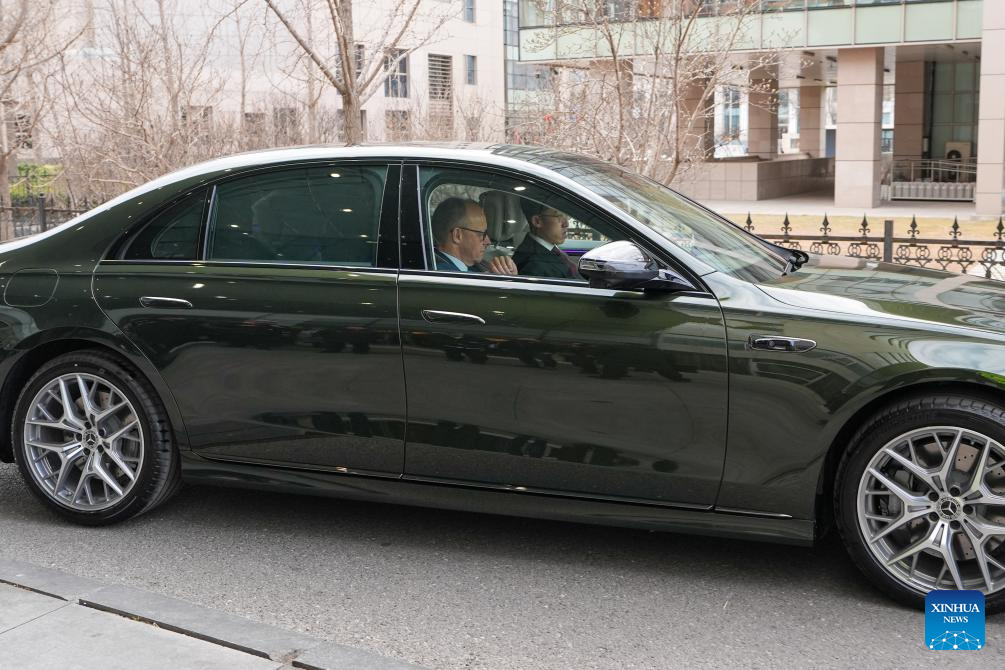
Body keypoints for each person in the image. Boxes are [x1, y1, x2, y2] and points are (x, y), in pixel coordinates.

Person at [431, 198, 518, 274]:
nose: (488, 242)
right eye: (482, 234)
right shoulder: (445, 274)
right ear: (457, 235)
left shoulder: (460, 269)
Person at [513, 199, 579, 279]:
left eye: (566, 215)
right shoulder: (534, 266)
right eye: (558, 216)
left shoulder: (548, 249)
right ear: (537, 221)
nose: (566, 224)